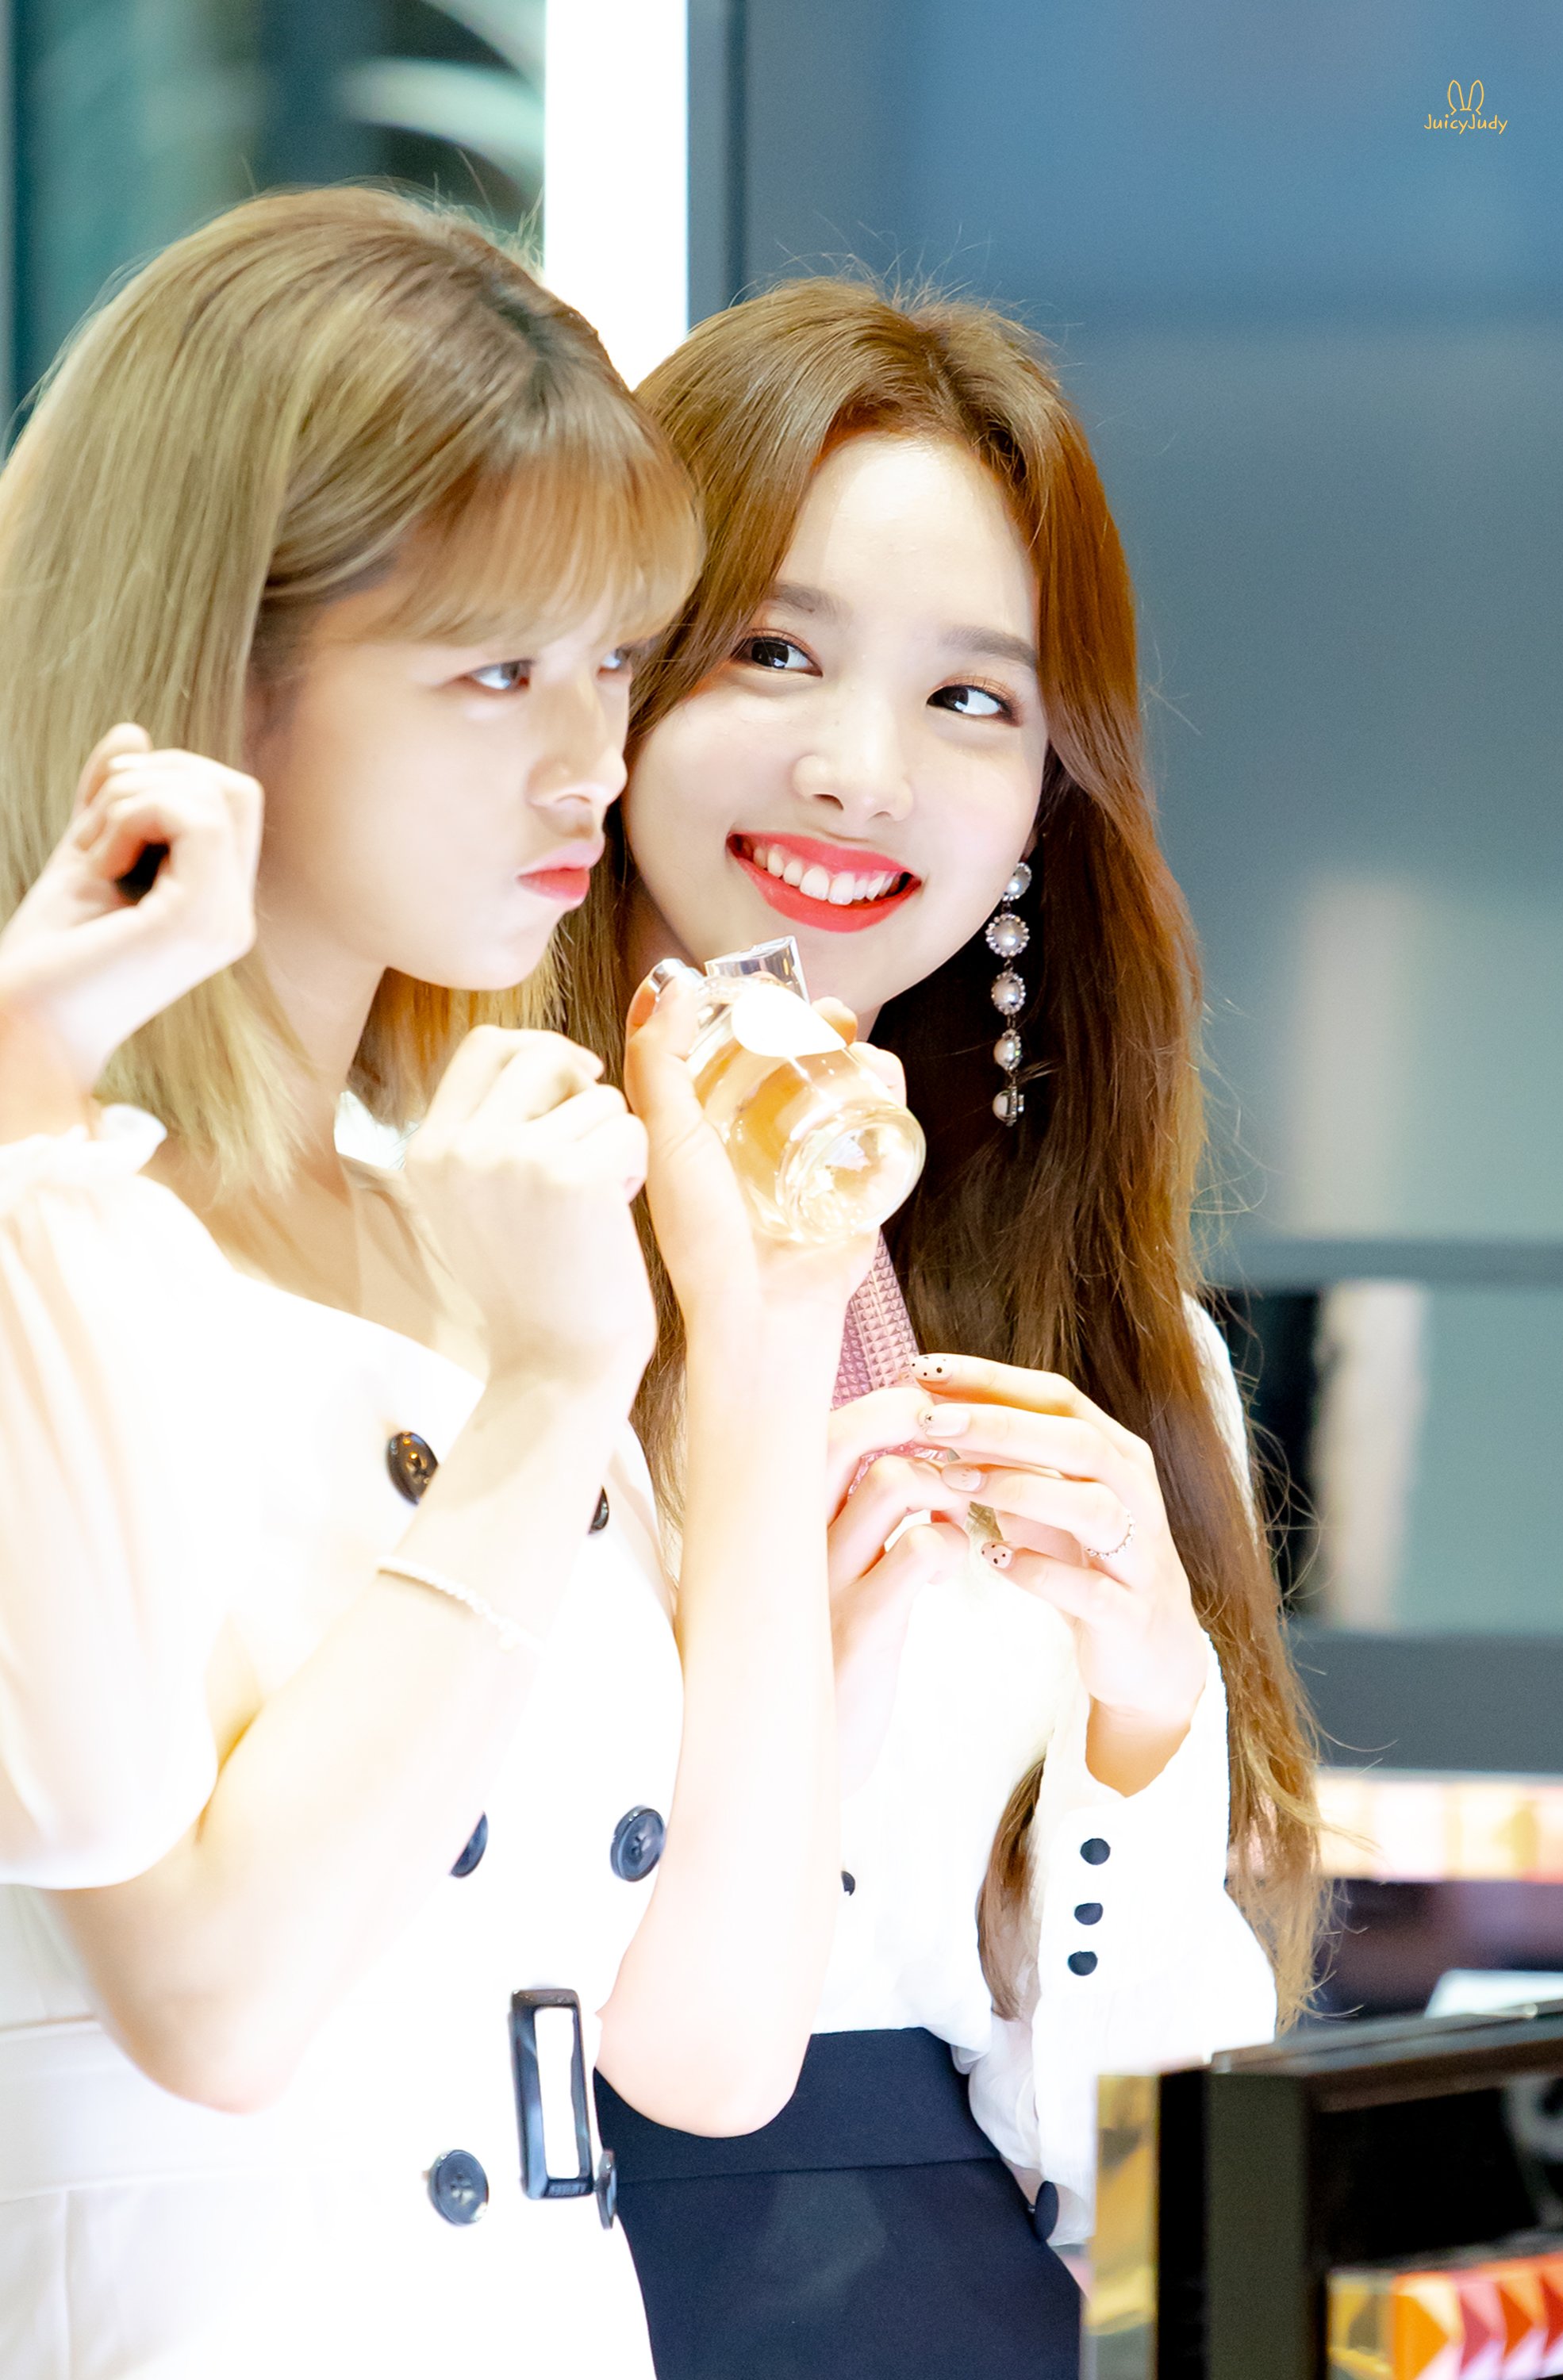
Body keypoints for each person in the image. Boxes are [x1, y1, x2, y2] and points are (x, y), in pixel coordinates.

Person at [0, 194, 878, 2378]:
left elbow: (707, 2045)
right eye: (495, 671)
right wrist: (552, 1393)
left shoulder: (462, 1214)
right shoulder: (48, 1223)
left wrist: (756, 1340)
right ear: (219, 675)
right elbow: (212, 2001)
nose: (589, 761)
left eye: (616, 660)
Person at [557, 278, 1327, 2379]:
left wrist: (1150, 1718)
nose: (859, 771)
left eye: (975, 699)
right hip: (542, 2277)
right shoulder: (438, 1255)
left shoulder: (1116, 1350)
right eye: (773, 649)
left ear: (1051, 796)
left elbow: (1168, 2207)